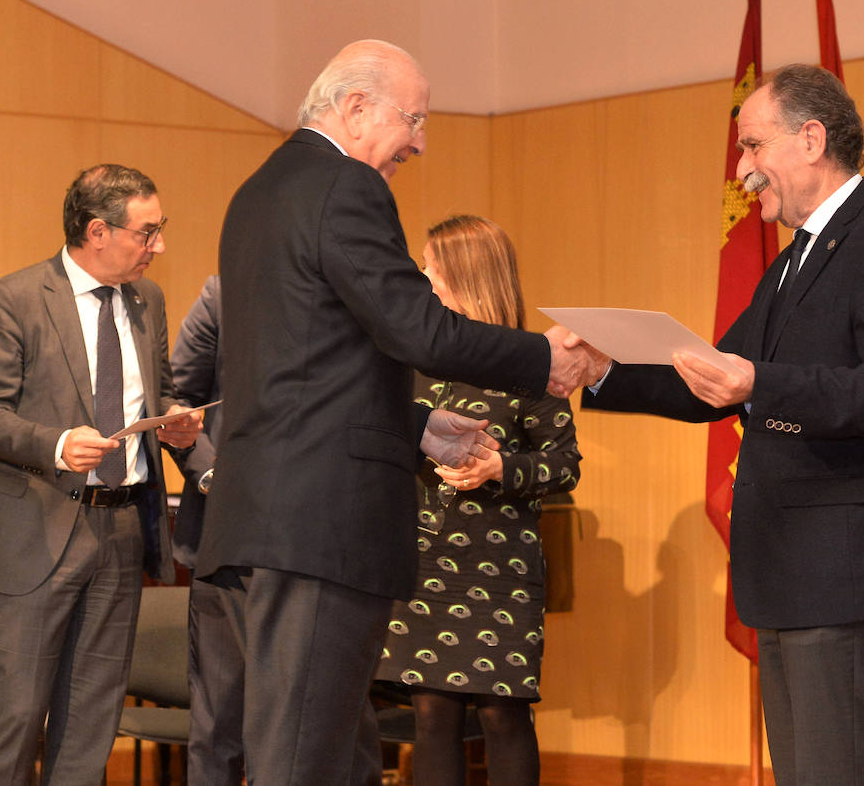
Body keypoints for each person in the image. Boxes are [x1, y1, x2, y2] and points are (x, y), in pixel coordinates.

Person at [192, 39, 603, 784]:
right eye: (413, 118)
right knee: (304, 762)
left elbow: (299, 365)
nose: (419, 140)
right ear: (354, 107)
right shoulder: (345, 187)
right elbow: (418, 329)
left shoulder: (258, 193)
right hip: (321, 525)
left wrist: (416, 425)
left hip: (266, 516)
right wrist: (544, 360)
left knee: (337, 757)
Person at [573, 64, 864, 786]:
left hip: (845, 570)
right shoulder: (792, 263)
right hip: (793, 570)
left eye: (753, 147)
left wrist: (761, 382)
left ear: (811, 139)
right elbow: (715, 378)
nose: (744, 171)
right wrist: (601, 371)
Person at [0, 164, 203, 785]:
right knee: (16, 716)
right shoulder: (14, 298)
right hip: (35, 530)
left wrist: (174, 422)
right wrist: (57, 443)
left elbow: (160, 392)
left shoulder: (147, 299)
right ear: (98, 230)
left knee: (93, 719)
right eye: (148, 232)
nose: (159, 246)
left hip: (122, 528)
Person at [375, 215, 581, 786]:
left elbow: (564, 466)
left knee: (503, 713)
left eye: (429, 266)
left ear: (462, 274)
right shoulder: (412, 360)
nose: (421, 276)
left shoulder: (529, 361)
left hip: (501, 572)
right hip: (421, 563)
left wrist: (500, 467)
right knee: (431, 713)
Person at [162, 275, 248, 785]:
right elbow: (176, 402)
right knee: (217, 725)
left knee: (296, 724)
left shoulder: (353, 285)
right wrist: (215, 475)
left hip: (314, 544)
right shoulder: (225, 294)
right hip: (224, 539)